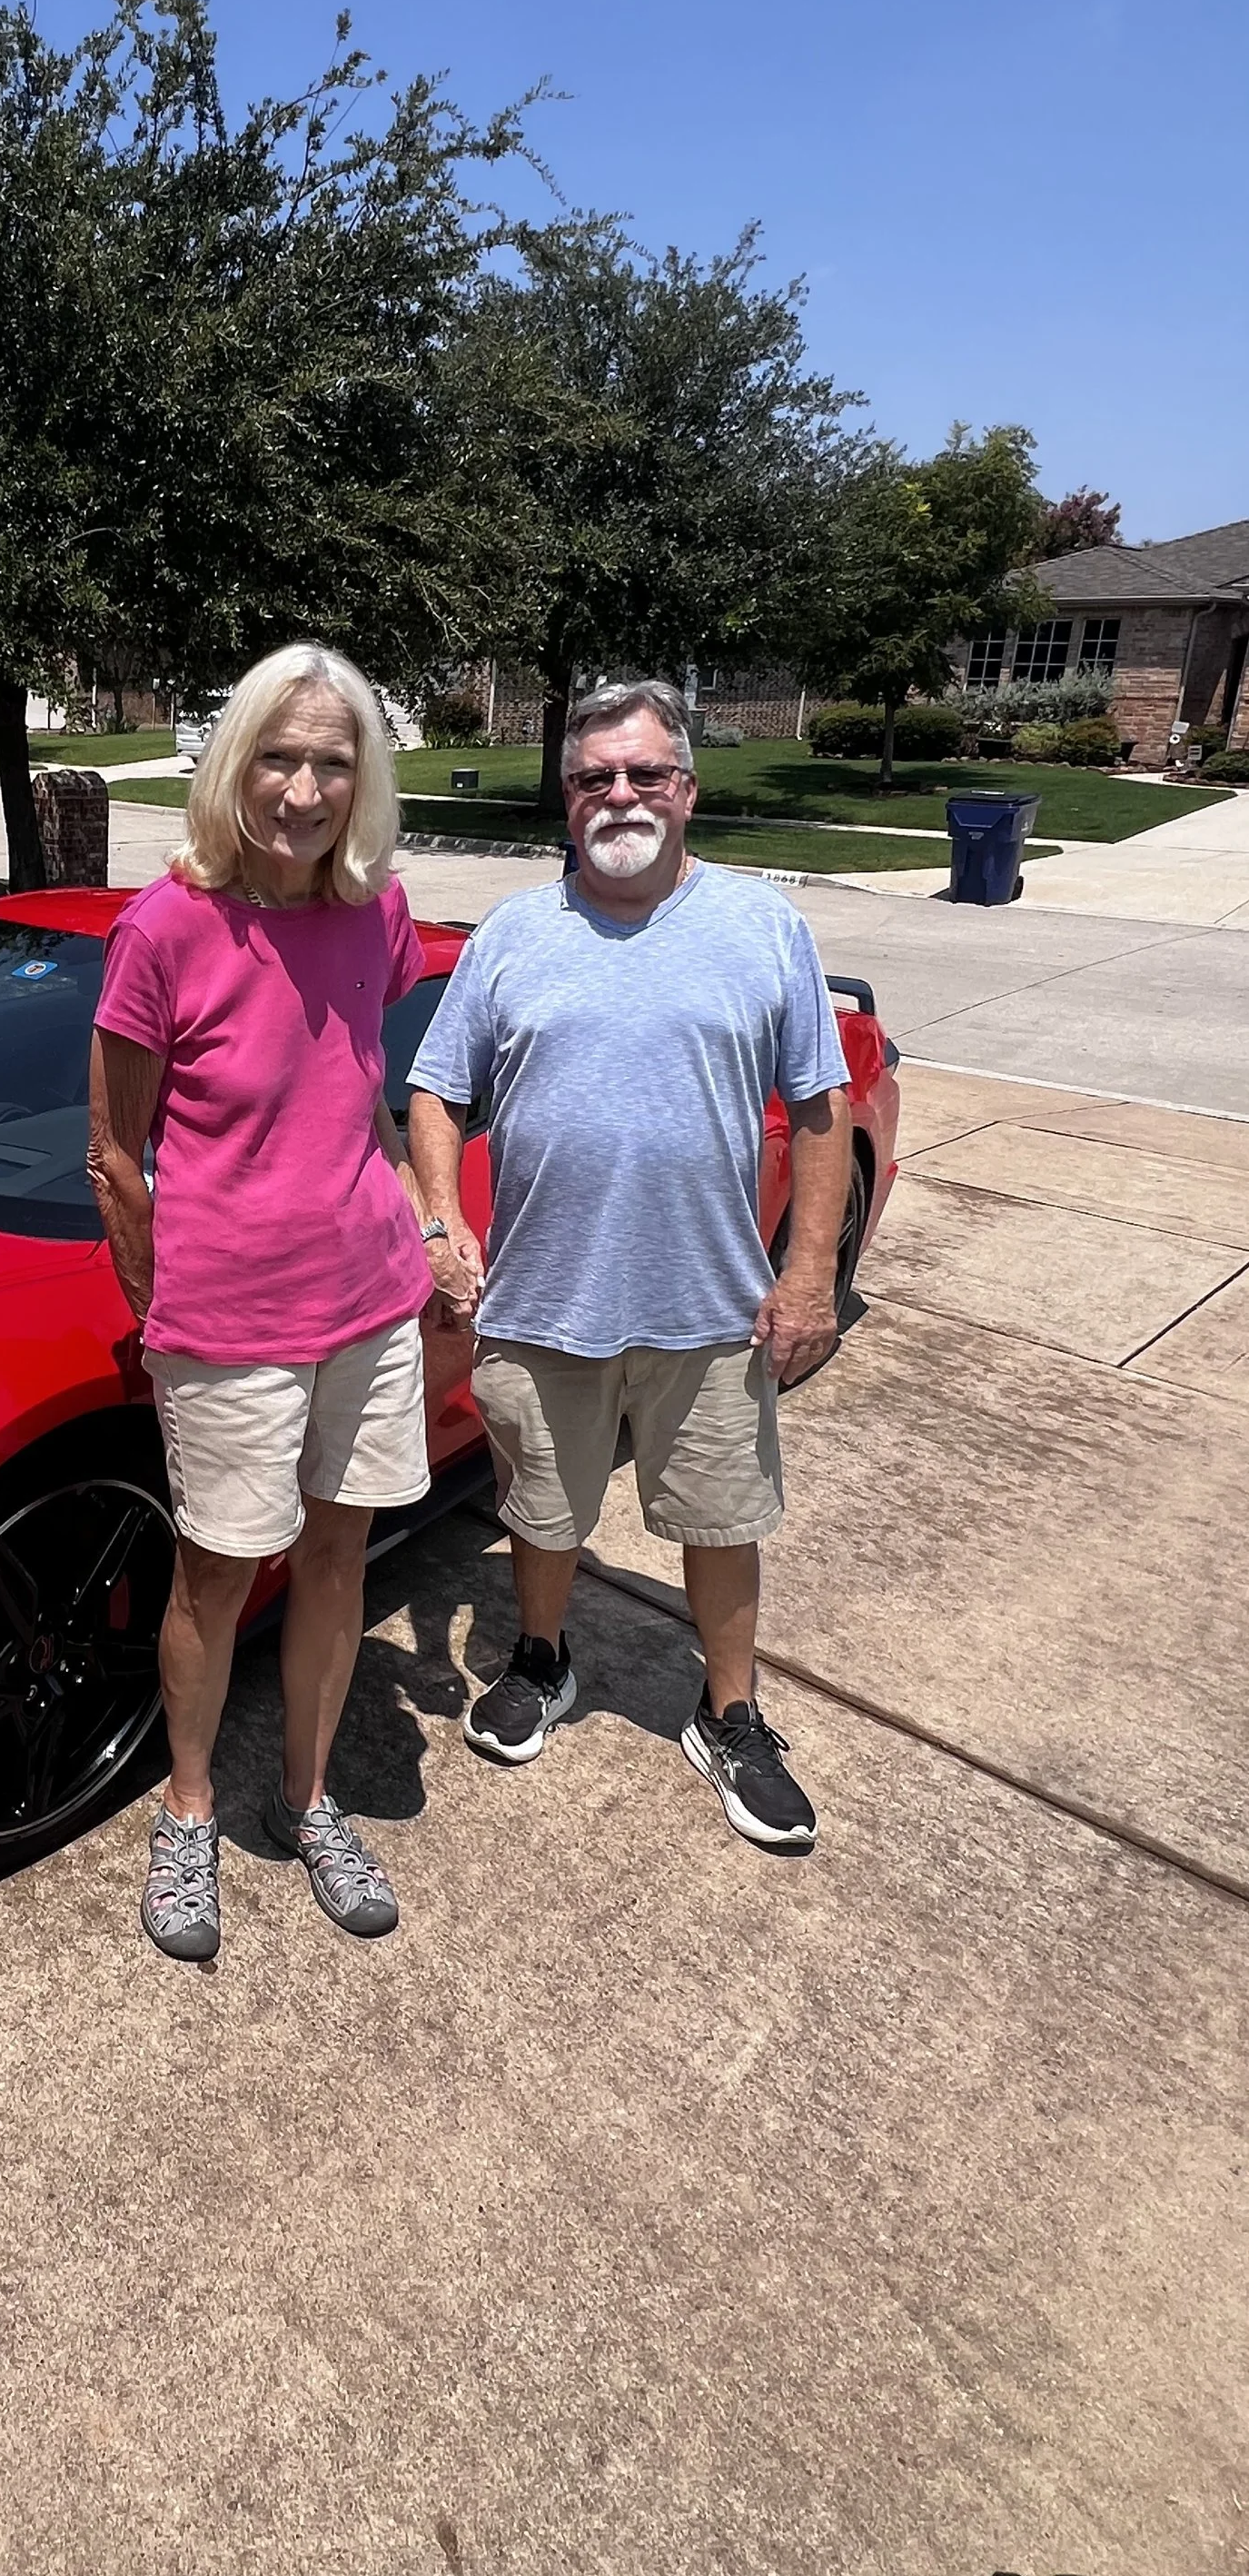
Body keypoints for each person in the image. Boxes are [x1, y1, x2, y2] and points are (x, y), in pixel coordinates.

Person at [404, 677, 853, 1853]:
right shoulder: (514, 932)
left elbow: (819, 1109)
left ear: (687, 790)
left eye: (644, 772)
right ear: (567, 800)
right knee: (542, 1508)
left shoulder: (762, 926)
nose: (619, 794)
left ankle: (733, 1711)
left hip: (706, 1302)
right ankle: (542, 1659)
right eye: (595, 776)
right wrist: (443, 1220)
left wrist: (807, 1279)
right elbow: (435, 1092)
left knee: (720, 1512)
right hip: (542, 1296)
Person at [86, 642, 437, 1959]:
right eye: (280, 758)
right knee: (218, 1576)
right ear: (236, 764)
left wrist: (417, 1215)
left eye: (331, 763)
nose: (303, 788)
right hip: (227, 1323)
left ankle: (305, 1794)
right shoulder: (165, 929)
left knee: (342, 1558)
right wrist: (160, 1309)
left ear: (364, 781)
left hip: (370, 1302)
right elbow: (115, 1154)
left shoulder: (377, 913)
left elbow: (361, 1091)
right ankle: (188, 1812)